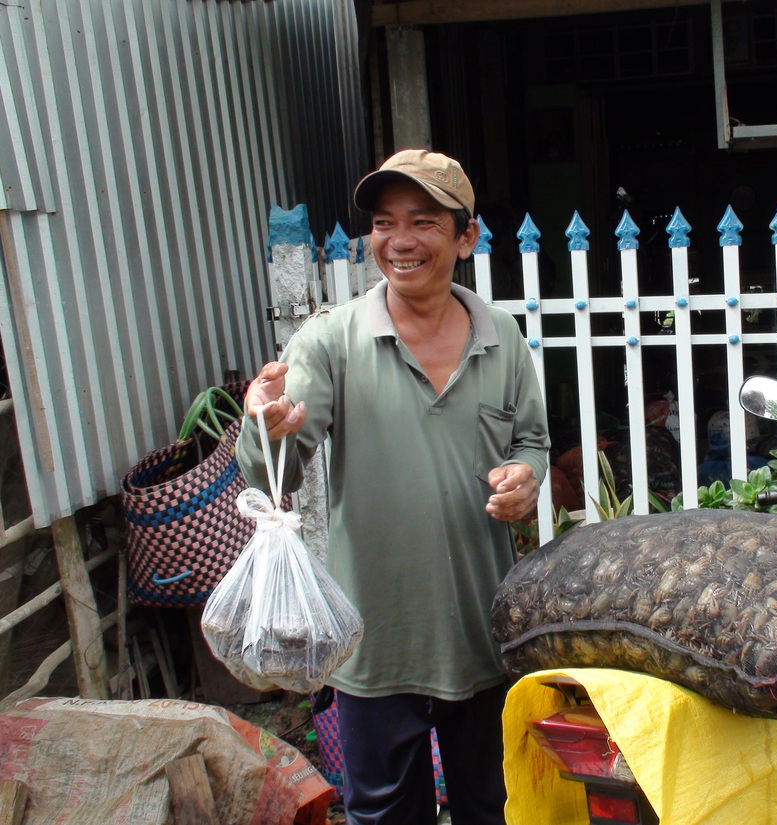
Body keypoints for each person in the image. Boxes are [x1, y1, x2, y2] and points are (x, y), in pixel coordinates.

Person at [237, 149, 550, 825]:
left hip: (482, 637)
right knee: (381, 815)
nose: (399, 241)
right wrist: (269, 425)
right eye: (383, 223)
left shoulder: (504, 339)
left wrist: (526, 477)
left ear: (466, 236)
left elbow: (532, 440)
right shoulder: (331, 342)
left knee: (493, 810)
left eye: (423, 221)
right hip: (375, 645)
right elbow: (279, 472)